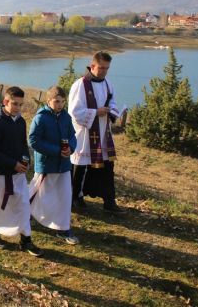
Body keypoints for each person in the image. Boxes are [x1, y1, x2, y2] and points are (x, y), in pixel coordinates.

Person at [0, 86, 44, 256]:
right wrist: (12, 163)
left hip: (18, 173)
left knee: (23, 204)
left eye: (20, 104)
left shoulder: (21, 121)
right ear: (6, 102)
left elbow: (23, 144)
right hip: (1, 173)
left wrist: (25, 160)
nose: (18, 108)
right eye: (14, 104)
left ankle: (26, 239)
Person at [68, 51, 126, 214]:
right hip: (86, 134)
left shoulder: (108, 84)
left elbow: (113, 102)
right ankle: (76, 198)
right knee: (81, 168)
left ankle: (109, 201)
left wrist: (113, 111)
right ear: (92, 66)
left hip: (104, 133)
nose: (104, 72)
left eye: (107, 69)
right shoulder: (80, 85)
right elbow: (74, 111)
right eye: (101, 68)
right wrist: (95, 112)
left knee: (107, 168)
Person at [28, 85, 80, 245]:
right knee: (38, 193)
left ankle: (62, 228)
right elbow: (34, 141)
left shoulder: (66, 117)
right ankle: (25, 214)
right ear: (48, 101)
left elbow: (72, 135)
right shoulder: (40, 118)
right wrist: (57, 151)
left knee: (64, 197)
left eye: (62, 101)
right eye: (57, 101)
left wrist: (70, 148)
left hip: (63, 165)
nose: (60, 105)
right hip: (46, 165)